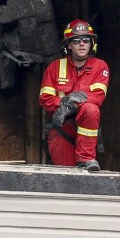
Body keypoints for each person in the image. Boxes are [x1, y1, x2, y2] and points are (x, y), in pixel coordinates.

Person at [39, 19, 110, 172]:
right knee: (64, 178)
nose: (82, 44)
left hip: (86, 131)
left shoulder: (100, 66)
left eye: (86, 40)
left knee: (91, 109)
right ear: (69, 45)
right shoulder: (54, 67)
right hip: (61, 129)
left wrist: (72, 104)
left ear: (91, 44)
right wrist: (62, 104)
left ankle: (86, 158)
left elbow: (97, 97)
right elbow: (44, 98)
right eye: (76, 41)